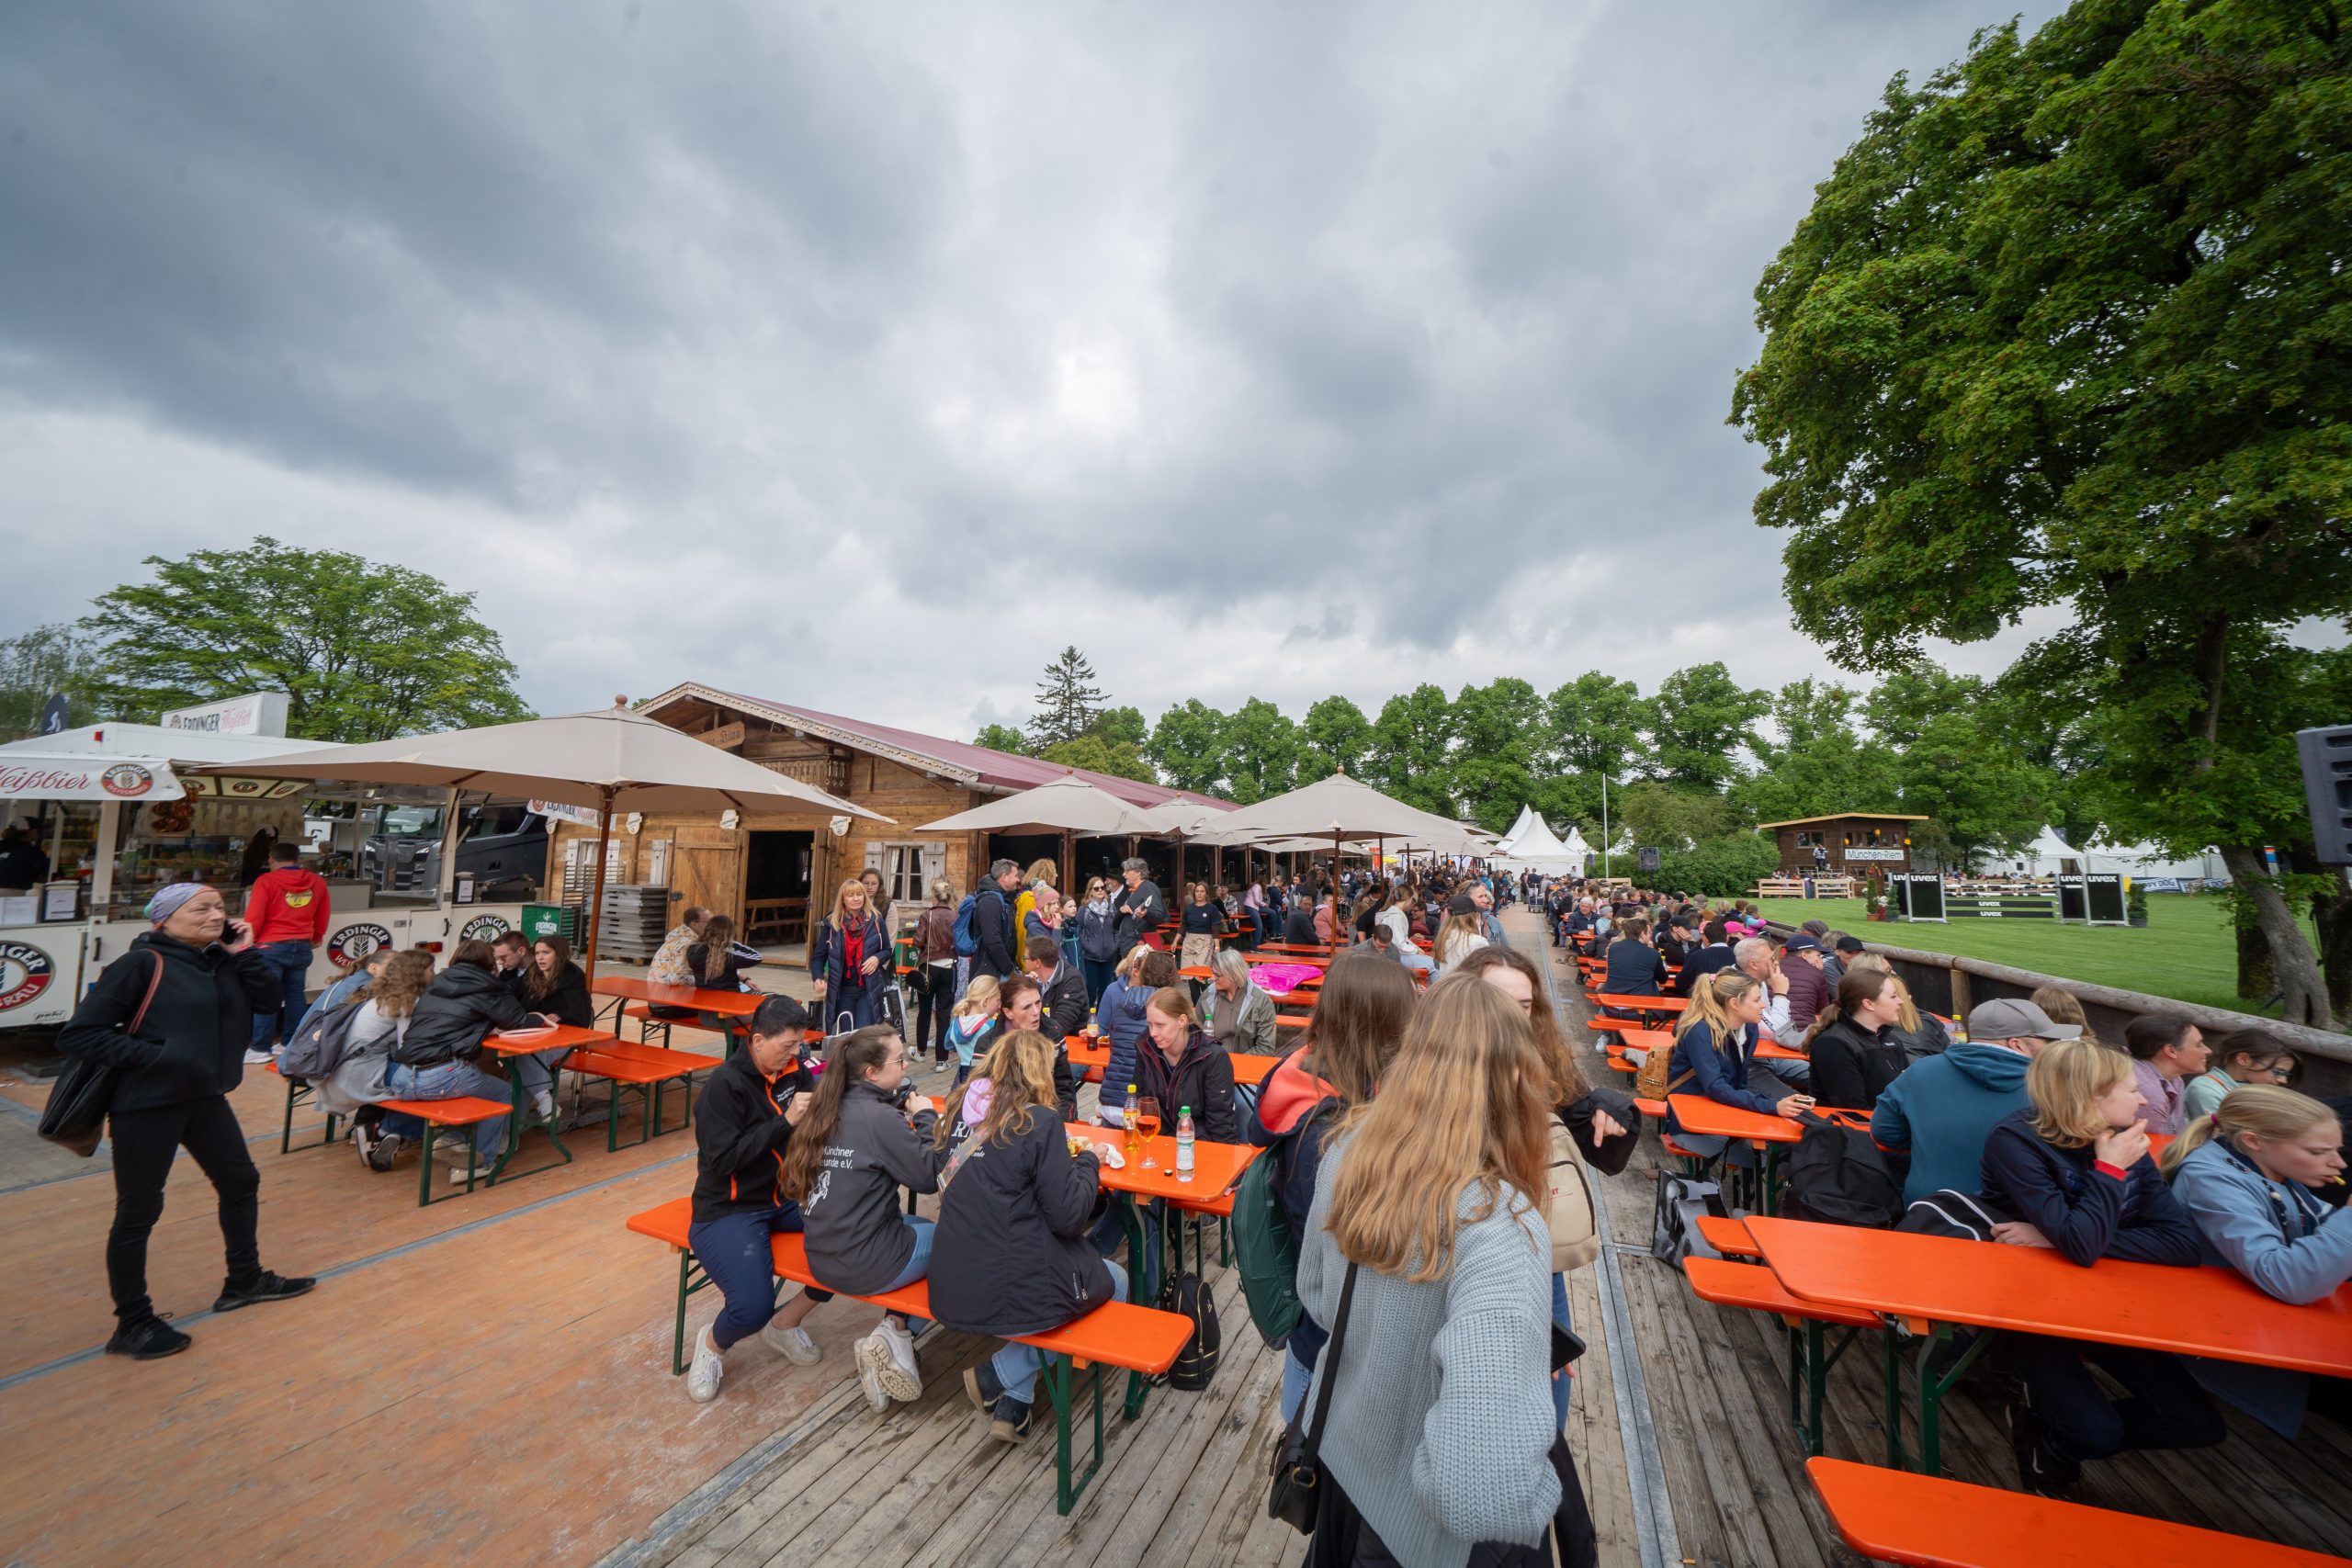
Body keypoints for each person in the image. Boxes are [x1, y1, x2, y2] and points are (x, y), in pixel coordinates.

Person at [1295, 976, 1581, 1566]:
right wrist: (1545, 1498)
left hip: (1344, 1461)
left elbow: (1316, 1296)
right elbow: (1476, 1489)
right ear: (1516, 1077)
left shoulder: (1347, 1150)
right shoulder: (1500, 1222)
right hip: (1416, 1531)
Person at [58, 883, 316, 1359]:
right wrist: (160, 1057)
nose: (216, 915)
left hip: (204, 1096)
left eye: (220, 907)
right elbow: (81, 1034)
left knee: (240, 1182)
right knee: (139, 1210)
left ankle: (244, 1280)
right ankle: (132, 1322)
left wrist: (244, 953)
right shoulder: (141, 964)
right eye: (201, 909)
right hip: (148, 1102)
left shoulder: (220, 961)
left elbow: (267, 1003)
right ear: (165, 918)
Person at [1980, 1038, 2218, 1494]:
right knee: (2097, 1434)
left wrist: (2055, 1237)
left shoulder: (2124, 1139)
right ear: (2091, 1098)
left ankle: (2048, 1430)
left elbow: (2182, 1245)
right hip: (2033, 1312)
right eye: (2133, 1090)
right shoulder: (2015, 1140)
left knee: (2197, 1423)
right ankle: (2057, 1436)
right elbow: (2081, 1246)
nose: (2144, 1100)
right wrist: (2107, 1174)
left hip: (2112, 1304)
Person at [1458, 943, 1640, 1435]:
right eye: (1498, 1001)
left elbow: (1584, 1116)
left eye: (1523, 1005)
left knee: (1548, 1389)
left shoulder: (1541, 1058)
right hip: (1465, 1254)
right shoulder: (1439, 1072)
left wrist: (1610, 1107)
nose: (1513, 1015)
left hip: (1538, 1253)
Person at [932, 1031, 1128, 1443]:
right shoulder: (1038, 1122)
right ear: (1038, 1072)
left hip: (952, 1275)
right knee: (1115, 1280)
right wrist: (1089, 1162)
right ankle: (997, 1374)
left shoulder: (959, 1110)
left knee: (1041, 1275)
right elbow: (1070, 1217)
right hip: (1004, 1283)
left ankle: (1014, 1406)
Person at [1249, 953, 1417, 1421]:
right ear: (1385, 1028)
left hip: (1326, 1336)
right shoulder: (1326, 1132)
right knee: (1309, 1454)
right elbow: (1348, 1252)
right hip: (1334, 1349)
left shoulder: (1316, 1088)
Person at [2163, 1085, 2352, 1436]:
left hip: (2276, 1326)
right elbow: (2288, 1280)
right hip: (2231, 1344)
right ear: (2254, 1141)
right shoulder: (2212, 1179)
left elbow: (2321, 1222)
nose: (2339, 1163)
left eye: (2337, 1151)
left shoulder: (2273, 1172)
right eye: (2318, 1152)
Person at [779, 1025, 947, 1411]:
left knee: (922, 1228)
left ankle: (893, 1336)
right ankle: (895, 1335)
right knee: (955, 1243)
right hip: (864, 1264)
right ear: (871, 1073)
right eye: (899, 1061)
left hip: (821, 1253)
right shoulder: (879, 1118)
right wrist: (925, 1118)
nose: (905, 1067)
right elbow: (926, 1177)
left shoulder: (825, 1106)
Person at [684, 996, 831, 1403]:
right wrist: (785, 1122)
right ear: (758, 1040)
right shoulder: (723, 1086)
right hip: (728, 1209)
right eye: (787, 1045)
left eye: (800, 1044)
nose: (796, 1053)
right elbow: (722, 1161)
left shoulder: (794, 1071)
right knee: (751, 1308)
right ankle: (712, 1344)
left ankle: (784, 1324)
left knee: (851, 1241)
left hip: (784, 1197)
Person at [389, 938, 548, 1183]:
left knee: (468, 1088)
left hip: (402, 1077)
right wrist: (540, 1018)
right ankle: (480, 1160)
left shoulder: (436, 983)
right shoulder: (488, 987)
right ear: (488, 961)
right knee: (503, 1093)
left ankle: (453, 1139)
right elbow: (518, 1022)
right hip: (442, 1075)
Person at [1662, 973, 1814, 1144]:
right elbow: (1716, 1088)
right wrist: (1772, 1106)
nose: (1763, 1005)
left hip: (1725, 1110)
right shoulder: (1699, 1031)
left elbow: (1738, 1083)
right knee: (1765, 1150)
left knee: (1785, 1139)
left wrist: (1769, 1107)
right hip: (1691, 1123)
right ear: (1734, 1003)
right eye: (1757, 1000)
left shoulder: (1749, 1028)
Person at [241, 840, 333, 1064]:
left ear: (272, 859)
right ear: (297, 859)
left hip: (270, 946)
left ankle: (260, 1048)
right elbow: (323, 913)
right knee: (295, 995)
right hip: (301, 946)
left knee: (267, 996)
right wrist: (317, 936)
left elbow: (255, 916)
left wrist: (248, 941)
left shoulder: (266, 881)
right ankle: (289, 1043)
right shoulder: (316, 881)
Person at [342, 949, 434, 1171]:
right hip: (366, 1070)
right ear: (418, 972)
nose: (434, 973)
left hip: (346, 1067)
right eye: (431, 969)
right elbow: (408, 1049)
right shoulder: (408, 1000)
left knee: (422, 1081)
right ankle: (387, 1131)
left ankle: (390, 1132)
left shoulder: (381, 993)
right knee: (431, 1084)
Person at [1132, 987, 1239, 1142]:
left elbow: (1221, 1124)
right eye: (1150, 1024)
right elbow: (1140, 1103)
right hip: (1156, 1141)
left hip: (1197, 1144)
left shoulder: (1213, 1058)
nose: (1153, 1032)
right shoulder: (1146, 1048)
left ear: (1182, 1021)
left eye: (1160, 1025)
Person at [1799, 967, 1913, 1111]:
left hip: (1889, 1119)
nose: (1901, 1001)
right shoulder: (1833, 1044)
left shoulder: (1889, 1038)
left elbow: (1907, 1090)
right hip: (1848, 1124)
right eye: (1893, 996)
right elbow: (1853, 1109)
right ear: (1868, 1004)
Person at [1096, 947, 1175, 1124]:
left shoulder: (1122, 1002)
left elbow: (1113, 1041)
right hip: (1145, 1106)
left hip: (1111, 1100)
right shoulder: (1166, 1008)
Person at [811, 878, 891, 1032]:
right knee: (846, 1035)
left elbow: (887, 950)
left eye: (859, 894)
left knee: (863, 1034)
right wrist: (817, 977)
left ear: (864, 897)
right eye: (850, 895)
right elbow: (819, 956)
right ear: (843, 899)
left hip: (868, 989)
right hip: (842, 991)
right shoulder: (832, 923)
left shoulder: (876, 919)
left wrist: (877, 958)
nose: (855, 899)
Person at [2182, 1028, 2299, 1122]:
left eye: (2286, 1074)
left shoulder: (2258, 1091)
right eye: (2278, 1072)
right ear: (2243, 1060)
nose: (2284, 1080)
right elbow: (2223, 1136)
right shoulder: (2206, 1089)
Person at [2122, 1014, 2209, 1137]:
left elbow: (2175, 1133)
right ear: (2171, 1051)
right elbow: (2157, 1144)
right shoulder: (2149, 1094)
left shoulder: (2176, 1080)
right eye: (2199, 1045)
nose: (2208, 1050)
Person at [912, 879, 959, 1068]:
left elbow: (918, 941)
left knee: (924, 1010)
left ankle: (920, 1051)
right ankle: (942, 1060)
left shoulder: (927, 915)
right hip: (949, 966)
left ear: (933, 895)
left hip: (929, 967)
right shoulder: (955, 916)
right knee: (944, 1013)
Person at [1204, 947, 1277, 1056]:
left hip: (1247, 1063)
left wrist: (1236, 1062)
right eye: (1213, 973)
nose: (1212, 978)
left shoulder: (1262, 1002)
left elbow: (1265, 1047)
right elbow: (1196, 1036)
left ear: (1233, 975)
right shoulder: (1208, 996)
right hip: (1213, 1061)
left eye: (1217, 975)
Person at [647, 904, 714, 1017]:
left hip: (657, 1002)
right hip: (667, 1006)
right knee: (721, 1003)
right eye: (709, 922)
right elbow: (676, 979)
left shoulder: (677, 937)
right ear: (694, 924)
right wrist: (706, 978)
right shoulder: (687, 944)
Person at [943, 974, 1001, 1084]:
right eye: (998, 1001)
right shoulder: (990, 1025)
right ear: (985, 1001)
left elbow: (948, 1045)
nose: (999, 1006)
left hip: (962, 1073)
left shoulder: (956, 1022)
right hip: (983, 1074)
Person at [971, 859, 1022, 982]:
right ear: (1004, 877)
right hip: (991, 973)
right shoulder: (990, 902)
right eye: (1016, 875)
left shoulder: (1004, 899)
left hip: (998, 970)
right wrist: (1009, 969)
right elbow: (993, 941)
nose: (1018, 879)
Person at [1074, 875, 1122, 1004]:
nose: (1100, 890)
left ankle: (1102, 1014)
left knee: (1106, 990)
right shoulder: (1084, 909)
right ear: (1090, 891)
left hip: (1109, 956)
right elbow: (1078, 930)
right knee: (1090, 989)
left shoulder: (1111, 907)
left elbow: (1117, 928)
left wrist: (1114, 945)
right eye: (1096, 888)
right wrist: (1087, 945)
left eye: (1102, 887)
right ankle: (1088, 1014)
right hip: (1090, 957)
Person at [1601, 916, 1668, 998]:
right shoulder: (1653, 953)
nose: (1650, 936)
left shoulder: (1614, 947)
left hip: (1612, 998)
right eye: (1649, 932)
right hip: (1640, 1001)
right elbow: (1663, 979)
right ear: (1642, 934)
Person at [1012, 858, 1057, 968]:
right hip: (1034, 966)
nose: (1056, 875)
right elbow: (1023, 933)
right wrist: (1025, 965)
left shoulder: (1041, 896)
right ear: (1046, 874)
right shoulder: (1029, 897)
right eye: (1054, 872)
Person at [1430, 896, 1488, 976]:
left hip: (1447, 983)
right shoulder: (1478, 942)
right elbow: (1486, 973)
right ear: (1471, 917)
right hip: (1467, 983)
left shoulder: (1443, 937)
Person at [1177, 880, 1223, 980]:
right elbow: (1183, 925)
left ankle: (1204, 990)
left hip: (1205, 942)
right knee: (1188, 973)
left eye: (1202, 891)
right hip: (1189, 941)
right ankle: (1194, 991)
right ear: (1194, 893)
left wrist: (1217, 946)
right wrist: (1175, 941)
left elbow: (1215, 929)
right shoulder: (1189, 908)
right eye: (1197, 891)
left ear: (1206, 893)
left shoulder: (1212, 908)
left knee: (1201, 973)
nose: (1199, 893)